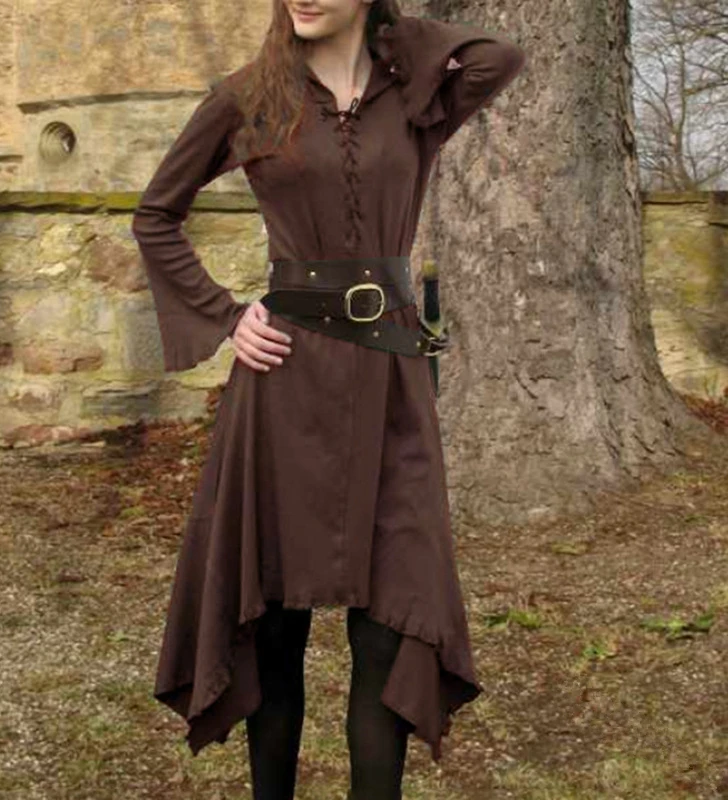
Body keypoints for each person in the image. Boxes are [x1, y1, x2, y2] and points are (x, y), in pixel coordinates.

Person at [131, 1, 526, 798]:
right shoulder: (249, 97)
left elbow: (499, 57)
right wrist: (225, 316)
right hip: (285, 384)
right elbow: (156, 215)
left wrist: (389, 37)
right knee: (275, 635)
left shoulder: (414, 94)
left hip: (392, 387)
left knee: (389, 633)